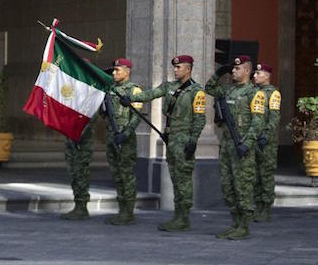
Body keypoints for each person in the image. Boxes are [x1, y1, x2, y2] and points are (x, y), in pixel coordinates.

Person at [122, 55, 206, 231]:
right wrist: (130, 98)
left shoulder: (196, 91)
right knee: (175, 178)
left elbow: (199, 119)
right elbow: (149, 95)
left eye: (179, 67)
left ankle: (184, 217)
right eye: (174, 68)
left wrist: (193, 140)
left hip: (184, 140)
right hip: (171, 138)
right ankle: (178, 215)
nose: (175, 70)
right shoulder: (168, 86)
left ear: (188, 69)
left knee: (184, 179)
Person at [206, 55, 266, 240]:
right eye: (232, 69)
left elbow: (257, 121)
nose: (233, 71)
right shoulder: (228, 91)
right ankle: (235, 223)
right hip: (227, 146)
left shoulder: (255, 93)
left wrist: (247, 144)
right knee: (228, 186)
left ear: (247, 71)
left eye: (237, 69)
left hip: (242, 147)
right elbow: (208, 88)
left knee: (243, 186)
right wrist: (218, 74)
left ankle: (244, 225)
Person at [103, 58, 142, 225]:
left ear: (127, 72)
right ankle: (121, 209)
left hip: (125, 138)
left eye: (117, 70)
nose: (114, 73)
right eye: (113, 70)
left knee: (126, 174)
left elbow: (137, 117)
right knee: (116, 174)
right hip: (111, 135)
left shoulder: (134, 91)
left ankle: (128, 211)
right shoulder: (111, 89)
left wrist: (125, 134)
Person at [252, 63, 281, 222]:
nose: (255, 76)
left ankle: (266, 207)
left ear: (267, 76)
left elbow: (274, 117)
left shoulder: (273, 94)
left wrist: (266, 134)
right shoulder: (253, 92)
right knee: (254, 175)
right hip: (253, 139)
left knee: (266, 174)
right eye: (255, 73)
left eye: (258, 73)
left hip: (266, 141)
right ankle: (258, 205)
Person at [61, 121, 95, 220]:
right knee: (73, 173)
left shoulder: (90, 105)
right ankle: (77, 205)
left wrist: (78, 133)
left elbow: (91, 120)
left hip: (82, 141)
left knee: (81, 174)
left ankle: (82, 207)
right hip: (71, 139)